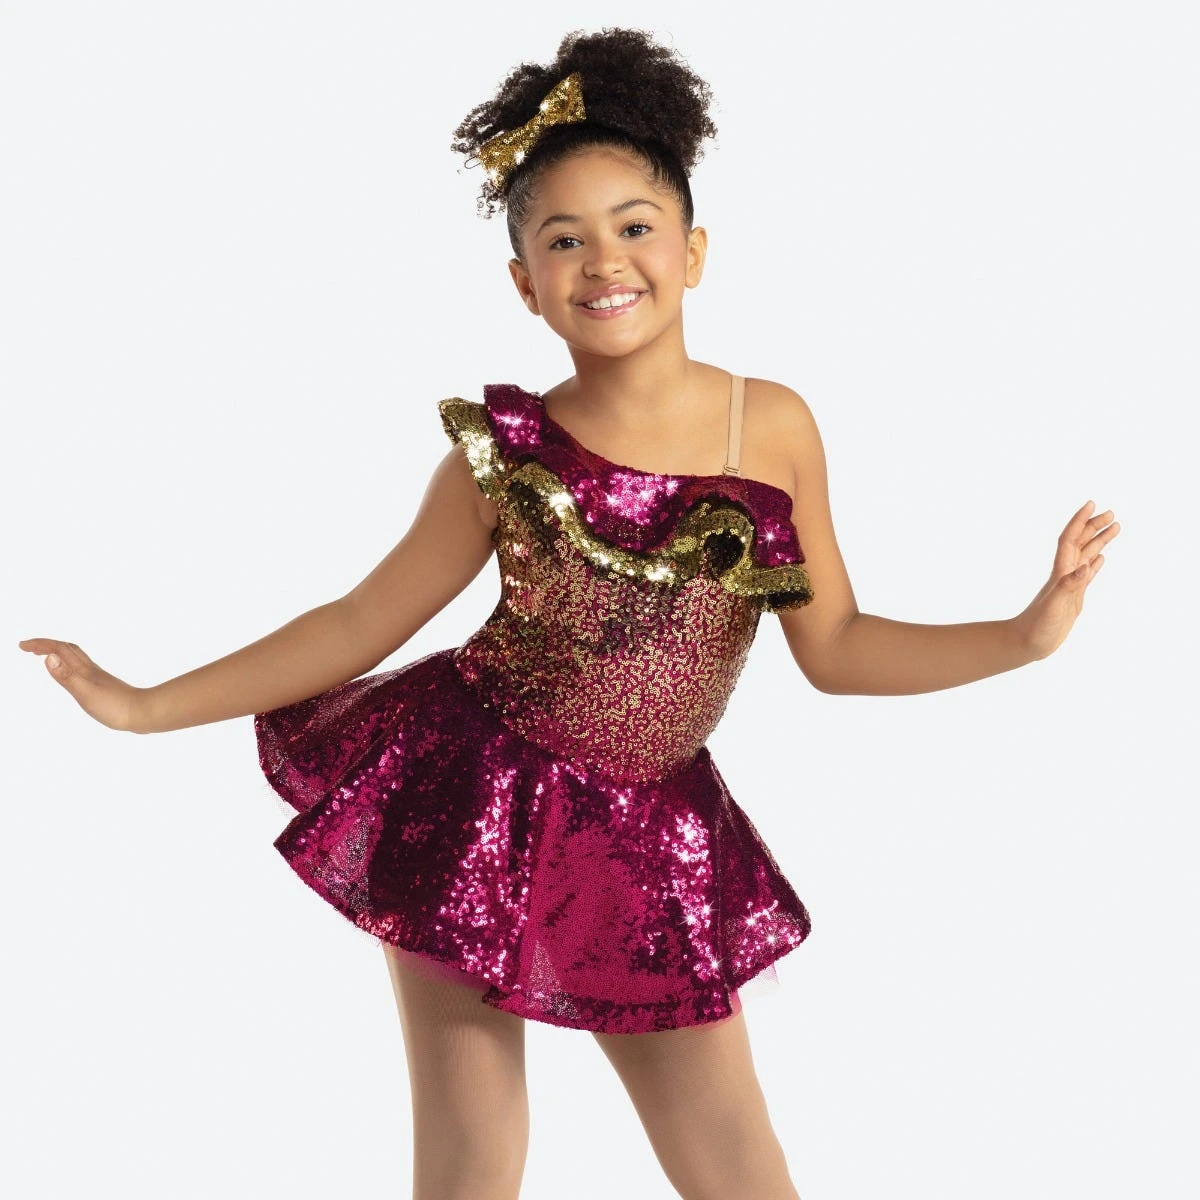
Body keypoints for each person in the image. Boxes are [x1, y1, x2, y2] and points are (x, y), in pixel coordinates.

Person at [17, 26, 1120, 1200]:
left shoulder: (772, 428)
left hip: (651, 827)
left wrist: (1024, 634)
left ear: (693, 250)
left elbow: (838, 648)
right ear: (526, 285)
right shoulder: (507, 456)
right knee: (471, 1148)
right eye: (563, 239)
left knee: (733, 1157)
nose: (605, 261)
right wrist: (144, 705)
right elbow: (358, 621)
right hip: (468, 791)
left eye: (634, 227)